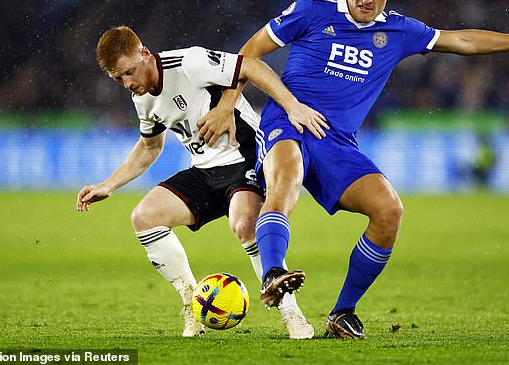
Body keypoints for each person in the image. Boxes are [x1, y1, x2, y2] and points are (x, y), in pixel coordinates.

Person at [202, 0, 509, 339]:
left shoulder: (400, 31)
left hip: (337, 141)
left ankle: (342, 313)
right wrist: (225, 105)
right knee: (285, 180)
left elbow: (461, 40)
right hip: (288, 120)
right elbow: (248, 53)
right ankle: (274, 272)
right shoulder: (310, 11)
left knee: (389, 211)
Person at [76, 26, 328, 339]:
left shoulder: (189, 62)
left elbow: (250, 65)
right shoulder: (142, 99)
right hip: (205, 172)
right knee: (144, 217)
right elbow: (150, 146)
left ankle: (292, 314)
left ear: (144, 53)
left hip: (244, 159)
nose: (128, 84)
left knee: (245, 224)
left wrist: (288, 106)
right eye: (118, 79)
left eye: (129, 72)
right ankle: (191, 306)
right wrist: (109, 185)